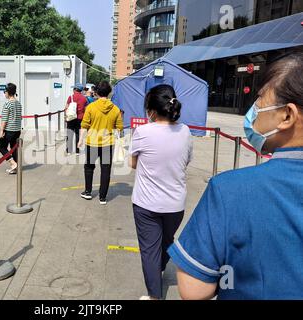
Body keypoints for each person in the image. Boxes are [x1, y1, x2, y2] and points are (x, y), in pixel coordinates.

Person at [167, 52, 303, 300]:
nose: (254, 110)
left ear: (287, 115)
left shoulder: (230, 191)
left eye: (261, 99)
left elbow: (194, 290)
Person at [130, 84, 193, 300]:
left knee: (149, 251)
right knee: (166, 242)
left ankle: (154, 295)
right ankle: (159, 270)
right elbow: (186, 161)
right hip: (175, 204)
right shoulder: (185, 131)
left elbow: (133, 163)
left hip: (146, 204)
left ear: (151, 110)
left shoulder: (142, 131)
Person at [78, 81, 123, 205]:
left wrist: (80, 139)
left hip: (92, 142)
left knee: (89, 167)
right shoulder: (115, 109)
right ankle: (102, 197)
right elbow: (119, 127)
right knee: (106, 169)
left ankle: (88, 192)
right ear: (109, 93)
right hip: (108, 143)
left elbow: (84, 125)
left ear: (96, 92)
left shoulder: (91, 107)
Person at [0, 83, 22, 175]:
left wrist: (1, 131)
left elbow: (4, 119)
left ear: (8, 92)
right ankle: (16, 167)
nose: (4, 94)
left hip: (9, 130)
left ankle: (12, 163)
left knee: (1, 147)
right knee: (14, 148)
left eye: (5, 92)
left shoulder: (7, 104)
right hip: (17, 130)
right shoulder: (18, 103)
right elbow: (20, 117)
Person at [65, 84, 88, 155]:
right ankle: (77, 151)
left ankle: (69, 151)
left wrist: (66, 116)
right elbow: (86, 109)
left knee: (70, 134)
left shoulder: (71, 97)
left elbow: (66, 107)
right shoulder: (84, 98)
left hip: (71, 118)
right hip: (80, 118)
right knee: (78, 134)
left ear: (75, 89)